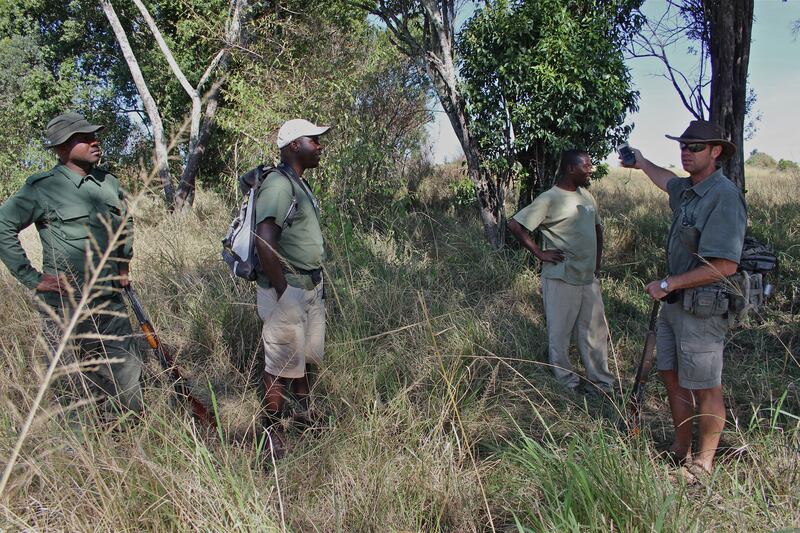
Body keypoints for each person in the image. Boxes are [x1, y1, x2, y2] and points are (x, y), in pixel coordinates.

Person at [0, 112, 142, 424]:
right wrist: (32, 278)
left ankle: (128, 435)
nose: (95, 141)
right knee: (72, 381)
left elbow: (125, 225)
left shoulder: (108, 183)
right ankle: (79, 444)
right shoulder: (42, 188)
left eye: (95, 136)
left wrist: (122, 265)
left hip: (109, 299)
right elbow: (3, 226)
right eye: (84, 138)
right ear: (62, 148)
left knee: (127, 373)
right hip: (65, 305)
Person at [622, 120, 746, 475]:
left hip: (702, 308)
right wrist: (642, 162)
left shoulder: (723, 196)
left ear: (716, 151)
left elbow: (725, 265)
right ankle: (681, 448)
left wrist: (668, 283)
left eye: (695, 147)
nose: (686, 153)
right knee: (671, 374)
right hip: (675, 303)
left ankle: (704, 463)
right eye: (683, 146)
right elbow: (667, 181)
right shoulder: (689, 188)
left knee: (706, 386)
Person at [508, 149, 616, 395]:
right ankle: (567, 384)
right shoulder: (549, 198)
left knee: (595, 333)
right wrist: (540, 253)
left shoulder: (587, 196)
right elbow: (515, 225)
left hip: (588, 277)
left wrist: (597, 264)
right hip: (561, 277)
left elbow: (597, 229)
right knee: (560, 333)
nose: (590, 170)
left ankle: (602, 384)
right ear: (570, 168)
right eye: (586, 166)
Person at [253, 119, 329, 445]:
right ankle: (271, 434)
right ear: (295, 145)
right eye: (314, 140)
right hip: (289, 289)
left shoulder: (299, 184)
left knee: (303, 358)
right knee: (280, 363)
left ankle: (304, 416)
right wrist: (284, 292)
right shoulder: (279, 185)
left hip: (308, 286)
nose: (320, 146)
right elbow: (264, 239)